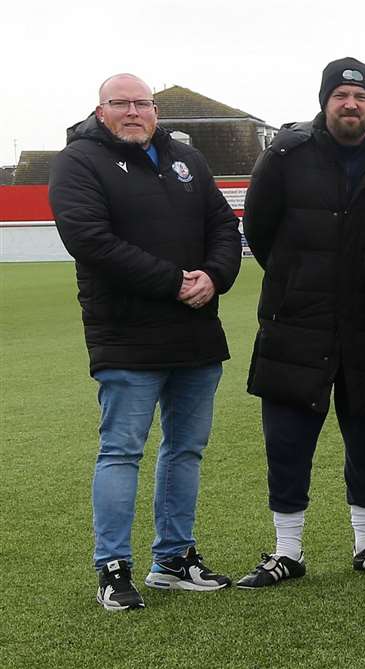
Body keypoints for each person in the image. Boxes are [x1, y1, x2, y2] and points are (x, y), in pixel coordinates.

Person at [52, 73, 243, 610]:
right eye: (122, 103)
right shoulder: (78, 162)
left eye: (143, 103)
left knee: (185, 449)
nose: (134, 111)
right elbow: (90, 240)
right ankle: (113, 568)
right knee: (121, 451)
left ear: (156, 110)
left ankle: (174, 559)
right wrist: (173, 281)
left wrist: (213, 275)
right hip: (126, 335)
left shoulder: (186, 159)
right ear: (100, 109)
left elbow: (225, 227)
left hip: (196, 333)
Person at [236, 58, 365, 587]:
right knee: (287, 439)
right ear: (325, 101)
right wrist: (297, 283)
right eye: (340, 95)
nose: (350, 104)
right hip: (296, 323)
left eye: (359, 97)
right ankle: (287, 551)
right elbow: (261, 230)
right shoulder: (286, 155)